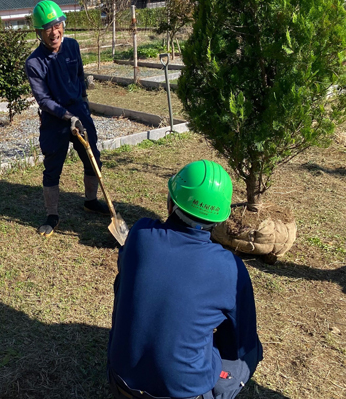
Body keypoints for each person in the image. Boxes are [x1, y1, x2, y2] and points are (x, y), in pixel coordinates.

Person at [107, 160, 263, 399]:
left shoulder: (140, 233)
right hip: (185, 393)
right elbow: (242, 339)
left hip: (121, 381)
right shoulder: (230, 268)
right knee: (250, 350)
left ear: (171, 203)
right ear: (219, 220)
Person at [25, 0, 110, 237]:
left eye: (57, 25)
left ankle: (90, 200)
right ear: (38, 32)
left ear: (63, 24)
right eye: (47, 28)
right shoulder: (34, 63)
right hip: (55, 120)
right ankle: (52, 215)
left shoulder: (73, 46)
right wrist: (67, 116)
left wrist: (83, 108)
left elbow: (79, 77)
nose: (54, 32)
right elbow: (43, 100)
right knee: (53, 168)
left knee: (93, 159)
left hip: (79, 112)